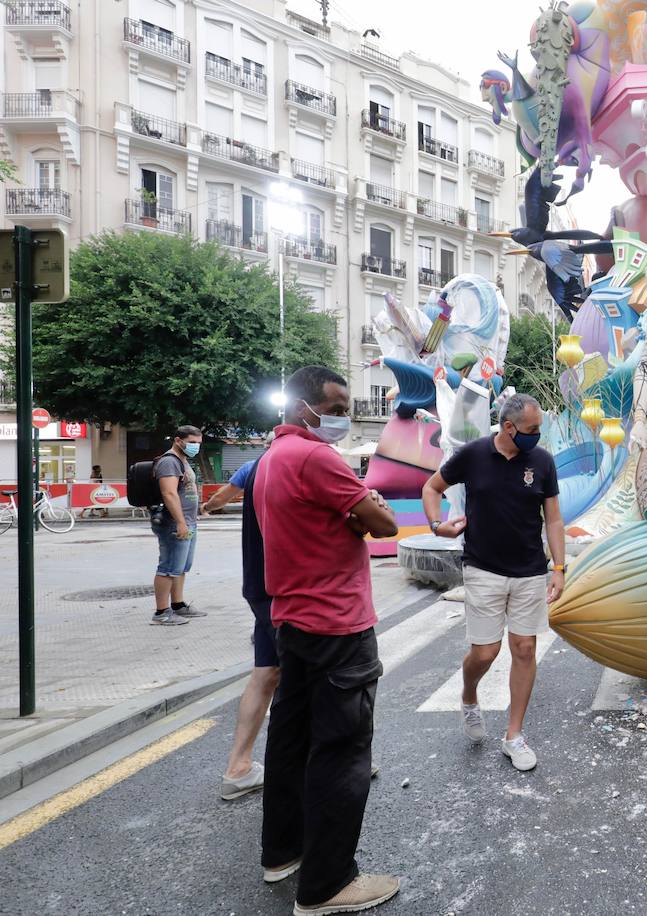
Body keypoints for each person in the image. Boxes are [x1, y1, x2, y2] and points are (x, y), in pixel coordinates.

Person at [255, 366, 401, 914]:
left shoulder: (274, 459)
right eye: (336, 407)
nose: (342, 416)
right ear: (303, 407)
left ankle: (282, 854)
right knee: (343, 753)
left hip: (291, 622)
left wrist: (359, 512)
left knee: (291, 744)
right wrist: (369, 507)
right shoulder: (317, 458)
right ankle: (328, 884)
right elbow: (383, 525)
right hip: (338, 626)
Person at [421, 392, 565, 772]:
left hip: (530, 570)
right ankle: (469, 695)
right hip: (483, 568)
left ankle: (513, 736)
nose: (538, 436)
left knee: (524, 649)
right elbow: (432, 487)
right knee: (485, 653)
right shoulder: (472, 454)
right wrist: (438, 526)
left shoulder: (543, 462)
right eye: (532, 429)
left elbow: (553, 519)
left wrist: (560, 568)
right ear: (508, 426)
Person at [214, 452, 276, 800]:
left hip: (260, 585)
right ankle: (336, 757)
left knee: (266, 672)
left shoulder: (254, 466)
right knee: (312, 674)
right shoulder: (300, 462)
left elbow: (224, 495)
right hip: (288, 589)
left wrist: (209, 506)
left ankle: (238, 768)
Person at [150, 425, 205, 626]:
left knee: (180, 567)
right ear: (178, 440)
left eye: (198, 443)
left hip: (188, 522)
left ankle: (178, 605)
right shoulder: (169, 462)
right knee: (168, 566)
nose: (195, 447)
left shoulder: (183, 461)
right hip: (173, 523)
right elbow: (169, 493)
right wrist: (181, 522)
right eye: (192, 442)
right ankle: (161, 612)